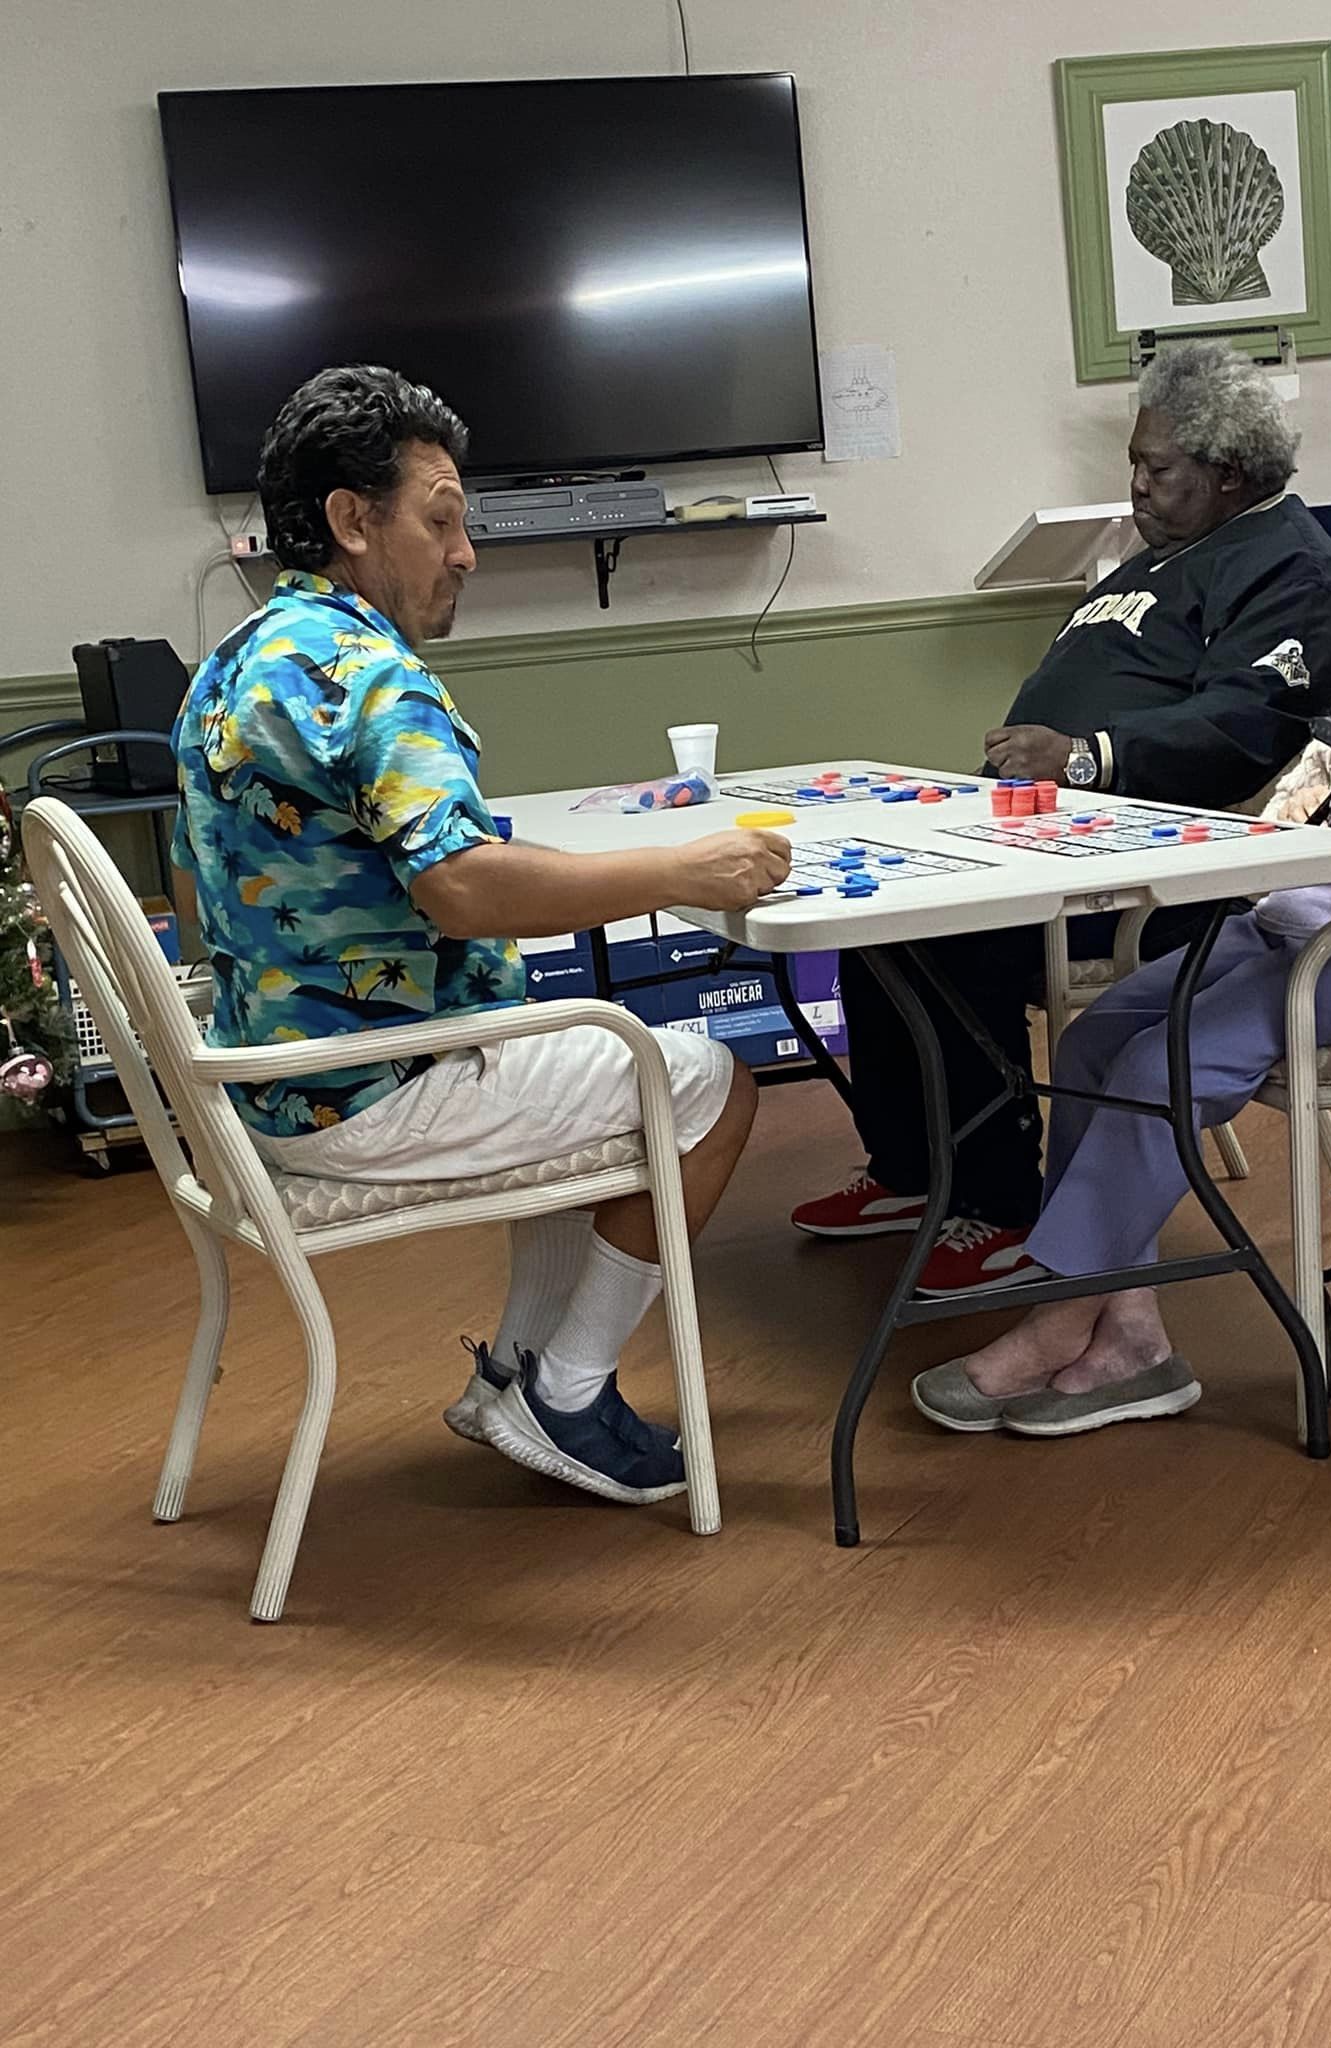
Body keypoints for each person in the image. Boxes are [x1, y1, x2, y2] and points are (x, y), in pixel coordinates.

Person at [172, 365, 790, 1506]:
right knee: (706, 1085)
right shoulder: (370, 678)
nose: (465, 553)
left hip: (269, 1081)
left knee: (578, 1062)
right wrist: (684, 867)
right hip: (366, 1093)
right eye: (442, 519)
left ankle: (513, 1374)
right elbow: (464, 886)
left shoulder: (231, 663)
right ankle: (567, 1388)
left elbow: (189, 878)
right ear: (356, 521)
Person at [910, 410, 1331, 1438]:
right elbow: (1301, 791)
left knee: (1174, 1052)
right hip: (1315, 927)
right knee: (1098, 1032)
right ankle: (1134, 1336)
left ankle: (1062, 1320)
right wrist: (1275, 826)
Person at [792, 339, 1331, 1296]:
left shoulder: (1296, 575)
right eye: (1134, 463)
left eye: (1158, 470)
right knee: (878, 924)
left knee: (950, 944)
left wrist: (1086, 757)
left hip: (1174, 878)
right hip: (1043, 836)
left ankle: (1002, 1208)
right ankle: (911, 1174)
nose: (1136, 486)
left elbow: (1248, 726)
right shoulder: (1169, 556)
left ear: (1228, 476)